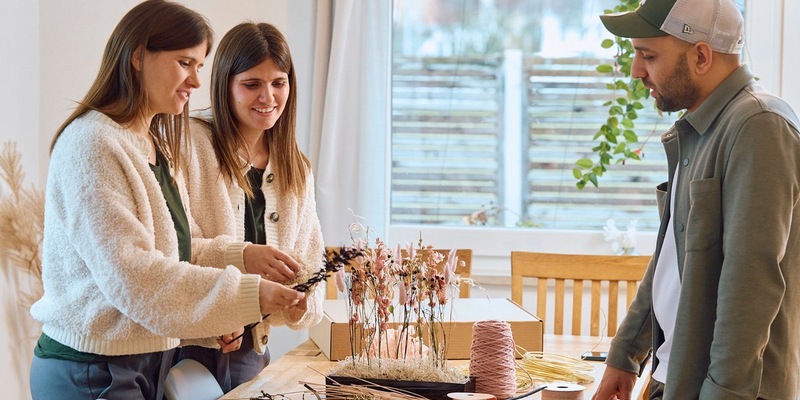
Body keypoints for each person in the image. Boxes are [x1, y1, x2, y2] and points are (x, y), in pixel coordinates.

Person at [29, 2, 305, 399]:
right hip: (92, 368)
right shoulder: (91, 144)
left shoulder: (153, 145)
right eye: (185, 62)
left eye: (199, 66)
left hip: (149, 362)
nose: (195, 81)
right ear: (138, 56)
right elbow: (135, 276)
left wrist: (231, 289)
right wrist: (247, 295)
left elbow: (179, 254)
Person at [591, 0, 800, 399]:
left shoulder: (758, 127)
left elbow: (751, 287)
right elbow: (672, 257)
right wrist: (625, 353)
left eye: (648, 55)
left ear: (701, 55)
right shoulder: (700, 131)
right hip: (672, 378)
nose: (636, 71)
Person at [177, 22, 325, 391]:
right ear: (225, 85)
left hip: (252, 351)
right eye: (251, 84)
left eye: (279, 82)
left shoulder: (295, 165)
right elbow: (173, 251)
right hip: (185, 348)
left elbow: (311, 259)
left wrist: (301, 298)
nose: (268, 97)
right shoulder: (189, 144)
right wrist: (221, 308)